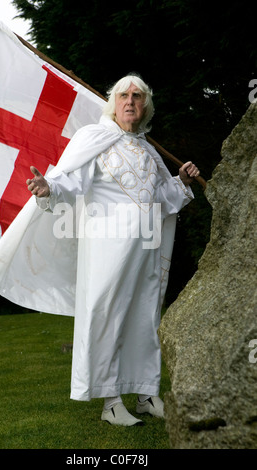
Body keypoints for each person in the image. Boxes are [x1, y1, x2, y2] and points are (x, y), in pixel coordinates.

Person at [25, 74, 200, 426]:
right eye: (124, 95)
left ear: (146, 105)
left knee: (145, 316)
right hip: (108, 250)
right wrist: (49, 186)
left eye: (138, 96)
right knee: (107, 315)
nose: (131, 101)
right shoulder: (94, 138)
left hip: (146, 248)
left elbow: (162, 199)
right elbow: (70, 179)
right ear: (113, 102)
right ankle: (110, 402)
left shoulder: (149, 150)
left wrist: (180, 180)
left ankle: (147, 393)